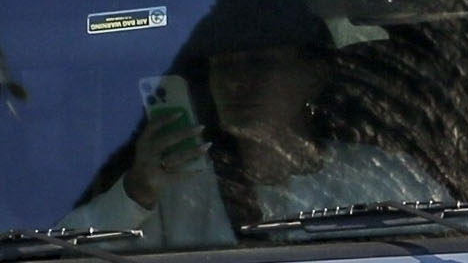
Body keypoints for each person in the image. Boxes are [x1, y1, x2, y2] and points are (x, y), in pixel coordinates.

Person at [61, 44, 442, 248]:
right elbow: (61, 258)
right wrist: (137, 191)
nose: (237, 82)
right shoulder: (178, 187)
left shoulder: (379, 176)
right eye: (224, 66)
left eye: (260, 63)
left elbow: (456, 247)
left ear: (314, 74)